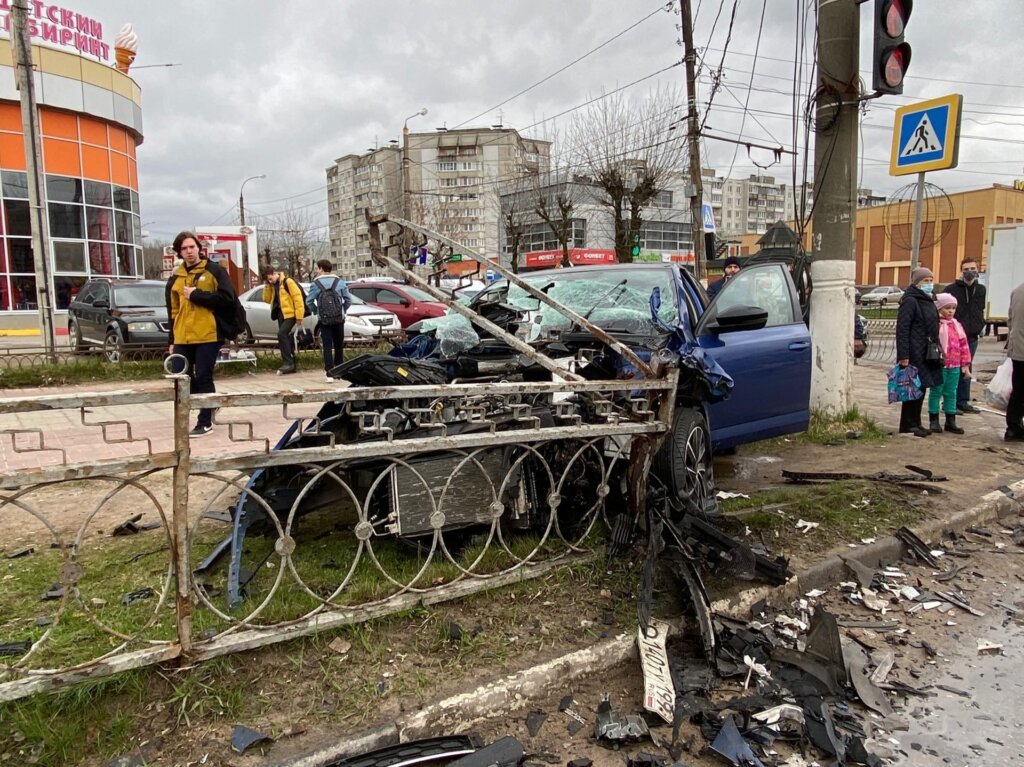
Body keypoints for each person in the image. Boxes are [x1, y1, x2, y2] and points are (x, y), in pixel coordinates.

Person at [165, 231, 237, 437]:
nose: (189, 251)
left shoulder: (214, 271)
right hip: (182, 335)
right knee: (180, 376)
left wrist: (197, 295)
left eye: (192, 247)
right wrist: (172, 340)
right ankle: (210, 403)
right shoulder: (176, 277)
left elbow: (227, 298)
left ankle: (205, 421)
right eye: (184, 249)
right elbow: (173, 311)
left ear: (199, 248)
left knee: (203, 375)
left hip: (208, 333)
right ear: (179, 252)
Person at [895, 267, 942, 438]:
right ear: (917, 283)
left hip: (926, 351)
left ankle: (916, 423)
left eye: (931, 280)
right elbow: (902, 329)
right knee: (912, 388)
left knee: (921, 388)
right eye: (925, 281)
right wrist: (903, 355)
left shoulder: (927, 299)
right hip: (914, 352)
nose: (929, 284)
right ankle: (908, 424)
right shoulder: (910, 301)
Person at [941, 258, 986, 413]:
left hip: (972, 336)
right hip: (954, 336)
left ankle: (963, 401)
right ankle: (948, 402)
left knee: (966, 368)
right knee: (952, 369)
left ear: (978, 269)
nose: (969, 272)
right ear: (961, 270)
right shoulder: (952, 289)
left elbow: (979, 309)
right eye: (966, 269)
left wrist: (981, 324)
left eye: (973, 268)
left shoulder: (980, 290)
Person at [927, 293, 972, 435]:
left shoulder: (957, 325)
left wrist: (965, 365)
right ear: (939, 309)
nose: (951, 311)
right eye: (947, 308)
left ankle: (950, 421)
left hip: (954, 365)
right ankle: (934, 420)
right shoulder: (936, 325)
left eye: (953, 308)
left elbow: (964, 345)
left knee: (951, 392)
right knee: (936, 391)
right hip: (940, 365)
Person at [306, 259, 353, 382]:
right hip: (339, 318)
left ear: (321, 269)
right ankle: (340, 369)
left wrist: (317, 311)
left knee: (327, 345)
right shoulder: (340, 282)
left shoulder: (315, 284)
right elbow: (348, 300)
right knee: (339, 344)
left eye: (317, 268)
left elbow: (309, 301)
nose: (316, 271)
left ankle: (330, 373)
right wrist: (343, 310)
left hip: (324, 319)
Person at [260, 264, 305, 375]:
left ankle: (288, 363)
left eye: (270, 278)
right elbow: (266, 299)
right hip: (280, 314)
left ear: (275, 273)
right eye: (267, 280)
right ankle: (292, 363)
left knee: (282, 334)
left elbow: (298, 298)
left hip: (290, 314)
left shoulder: (287, 282)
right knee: (287, 337)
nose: (270, 281)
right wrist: (267, 286)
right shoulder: (271, 285)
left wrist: (299, 316)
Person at [1005, 281, 1024, 442]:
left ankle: (1013, 426)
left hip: (1018, 350)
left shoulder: (1017, 291)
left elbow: (1010, 320)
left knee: (1018, 390)